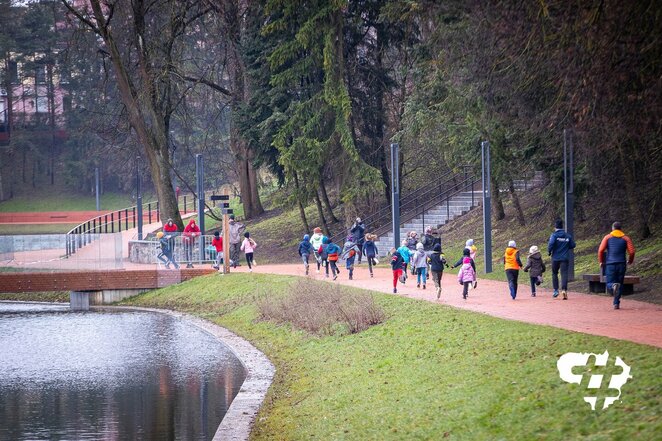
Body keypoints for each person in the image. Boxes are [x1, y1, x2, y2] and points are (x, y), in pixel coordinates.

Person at [598, 222, 635, 310]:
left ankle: (613, 286)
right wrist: (630, 261)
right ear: (620, 229)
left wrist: (601, 261)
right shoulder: (626, 238)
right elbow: (632, 252)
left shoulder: (607, 237)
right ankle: (616, 303)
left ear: (613, 228)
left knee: (610, 283)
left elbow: (601, 250)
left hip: (610, 264)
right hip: (621, 264)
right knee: (620, 283)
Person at [547, 219, 576, 300]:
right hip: (564, 258)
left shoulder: (554, 235)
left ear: (555, 227)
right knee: (564, 274)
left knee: (554, 273)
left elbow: (551, 244)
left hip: (555, 258)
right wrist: (566, 246)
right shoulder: (567, 236)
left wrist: (549, 251)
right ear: (562, 226)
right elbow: (573, 245)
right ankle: (564, 290)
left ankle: (556, 290)